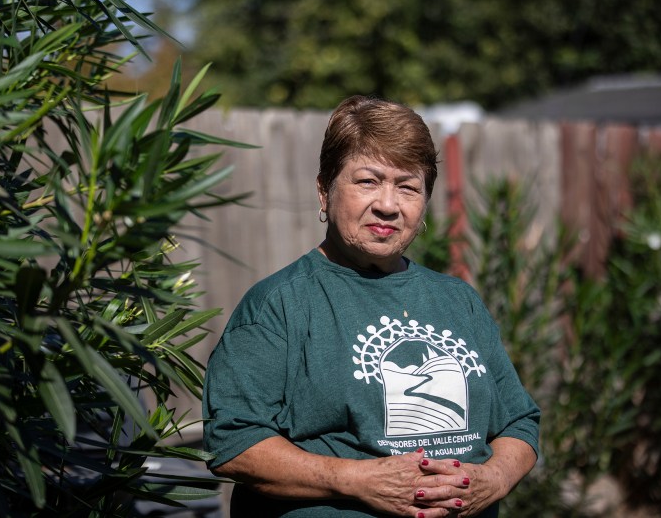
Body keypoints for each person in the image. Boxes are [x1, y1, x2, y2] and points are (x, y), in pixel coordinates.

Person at [202, 95, 540, 518]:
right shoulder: (280, 305)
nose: (388, 204)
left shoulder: (457, 301)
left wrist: (494, 479)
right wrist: (356, 480)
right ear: (324, 190)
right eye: (368, 181)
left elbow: (519, 423)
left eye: (408, 187)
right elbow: (235, 443)